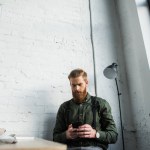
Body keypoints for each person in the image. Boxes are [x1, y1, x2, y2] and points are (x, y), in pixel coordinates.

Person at [53, 68, 118, 150]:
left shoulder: (101, 104)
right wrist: (66, 135)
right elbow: (55, 137)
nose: (76, 88)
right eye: (73, 85)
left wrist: (95, 134)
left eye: (80, 84)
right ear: (70, 85)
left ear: (86, 83)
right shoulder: (64, 107)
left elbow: (114, 136)